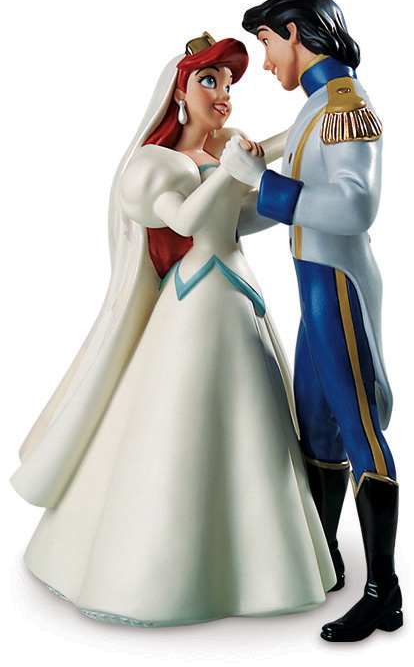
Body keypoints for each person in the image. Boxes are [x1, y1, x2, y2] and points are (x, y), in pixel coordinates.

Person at [11, 33, 335, 627]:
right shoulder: (153, 166)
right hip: (192, 299)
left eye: (229, 83)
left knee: (253, 424)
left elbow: (244, 214)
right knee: (174, 423)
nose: (223, 93)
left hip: (238, 295)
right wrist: (234, 171)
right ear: (179, 93)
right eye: (209, 80)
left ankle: (265, 565)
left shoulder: (229, 149)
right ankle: (155, 571)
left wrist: (306, 130)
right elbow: (185, 221)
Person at [220, 0, 402, 642]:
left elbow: (354, 206)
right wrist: (228, 211)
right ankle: (325, 559)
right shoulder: (316, 109)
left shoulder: (347, 106)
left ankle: (384, 592)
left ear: (295, 33)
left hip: (339, 287)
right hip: (313, 288)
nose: (267, 61)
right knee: (318, 431)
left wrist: (259, 181)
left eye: (268, 43)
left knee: (358, 430)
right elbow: (299, 196)